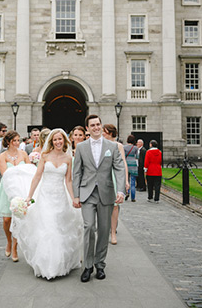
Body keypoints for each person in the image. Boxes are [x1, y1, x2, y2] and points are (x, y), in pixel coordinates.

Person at [4, 128, 83, 280]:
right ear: (51, 142)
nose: (58, 142)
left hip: (60, 197)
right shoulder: (45, 156)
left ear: (64, 140)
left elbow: (68, 180)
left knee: (60, 229)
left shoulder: (68, 158)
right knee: (48, 228)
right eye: (55, 140)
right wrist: (29, 197)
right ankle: (48, 266)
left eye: (60, 139)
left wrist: (73, 198)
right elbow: (37, 177)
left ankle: (61, 263)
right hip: (45, 196)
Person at [73, 115, 125, 282]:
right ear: (87, 128)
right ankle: (88, 266)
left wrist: (121, 191)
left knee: (104, 230)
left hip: (106, 192)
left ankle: (100, 264)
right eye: (92, 125)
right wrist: (76, 195)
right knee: (88, 227)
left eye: (98, 124)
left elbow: (119, 168)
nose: (96, 127)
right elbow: (77, 173)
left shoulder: (112, 146)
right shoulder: (81, 147)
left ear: (101, 127)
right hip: (87, 192)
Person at [0, 130, 31, 261]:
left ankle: (15, 247)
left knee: (18, 218)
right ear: (8, 142)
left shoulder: (24, 154)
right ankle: (9, 241)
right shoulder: (3, 156)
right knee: (6, 219)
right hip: (7, 189)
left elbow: (30, 171)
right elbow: (5, 174)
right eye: (14, 141)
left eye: (18, 140)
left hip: (21, 188)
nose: (17, 143)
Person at [102, 124, 129, 245]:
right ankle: (104, 230)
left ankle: (113, 232)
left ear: (110, 132)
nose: (102, 133)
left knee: (115, 206)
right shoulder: (100, 144)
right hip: (103, 176)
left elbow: (123, 164)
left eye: (104, 131)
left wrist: (126, 181)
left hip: (114, 176)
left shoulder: (118, 145)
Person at [124, 135, 139, 203]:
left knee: (126, 181)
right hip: (133, 164)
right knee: (133, 182)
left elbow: (123, 156)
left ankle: (127, 192)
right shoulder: (135, 148)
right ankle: (133, 197)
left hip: (126, 164)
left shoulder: (124, 147)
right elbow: (137, 156)